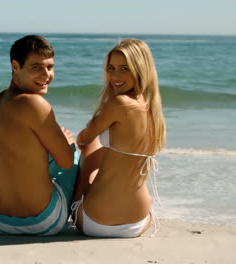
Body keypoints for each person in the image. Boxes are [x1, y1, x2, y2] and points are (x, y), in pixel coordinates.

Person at [0, 35, 79, 235]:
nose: (46, 74)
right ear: (16, 66)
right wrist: (69, 145)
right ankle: (84, 216)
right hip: (45, 221)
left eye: (50, 67)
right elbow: (65, 163)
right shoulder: (36, 104)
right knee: (72, 153)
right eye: (36, 67)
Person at [71, 39, 166, 238]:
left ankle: (74, 203)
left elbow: (83, 140)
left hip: (96, 220)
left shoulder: (119, 103)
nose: (115, 76)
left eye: (124, 68)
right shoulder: (153, 109)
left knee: (90, 149)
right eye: (111, 68)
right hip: (139, 221)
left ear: (140, 68)